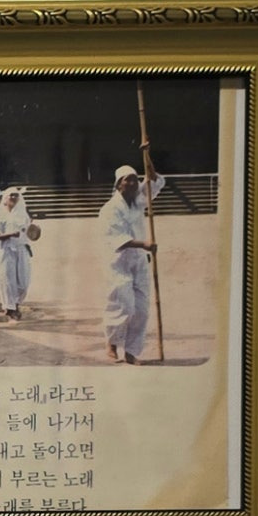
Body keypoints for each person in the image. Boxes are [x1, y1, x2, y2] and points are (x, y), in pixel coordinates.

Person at [98, 154, 165, 365]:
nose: (134, 183)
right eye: (128, 180)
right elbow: (116, 238)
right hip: (118, 262)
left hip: (139, 261)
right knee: (123, 305)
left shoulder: (138, 202)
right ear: (118, 184)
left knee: (142, 309)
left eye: (135, 179)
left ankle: (131, 351)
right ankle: (112, 342)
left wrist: (147, 156)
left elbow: (153, 180)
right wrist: (144, 244)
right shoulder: (110, 209)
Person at [0, 187, 31, 321]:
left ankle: (15, 303)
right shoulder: (0, 215)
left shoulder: (23, 215)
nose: (14, 198)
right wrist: (10, 234)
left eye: (16, 195)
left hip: (21, 249)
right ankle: (10, 308)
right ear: (6, 197)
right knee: (7, 280)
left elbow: (29, 232)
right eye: (11, 195)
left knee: (24, 281)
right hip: (6, 250)